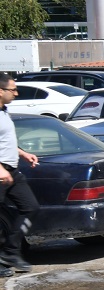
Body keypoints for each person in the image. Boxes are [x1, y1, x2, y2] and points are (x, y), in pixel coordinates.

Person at [0, 72, 40, 277]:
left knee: (30, 207)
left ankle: (9, 252)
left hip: (11, 170)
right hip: (1, 171)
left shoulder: (4, 111)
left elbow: (5, 141)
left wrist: (23, 153)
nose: (16, 93)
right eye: (12, 89)